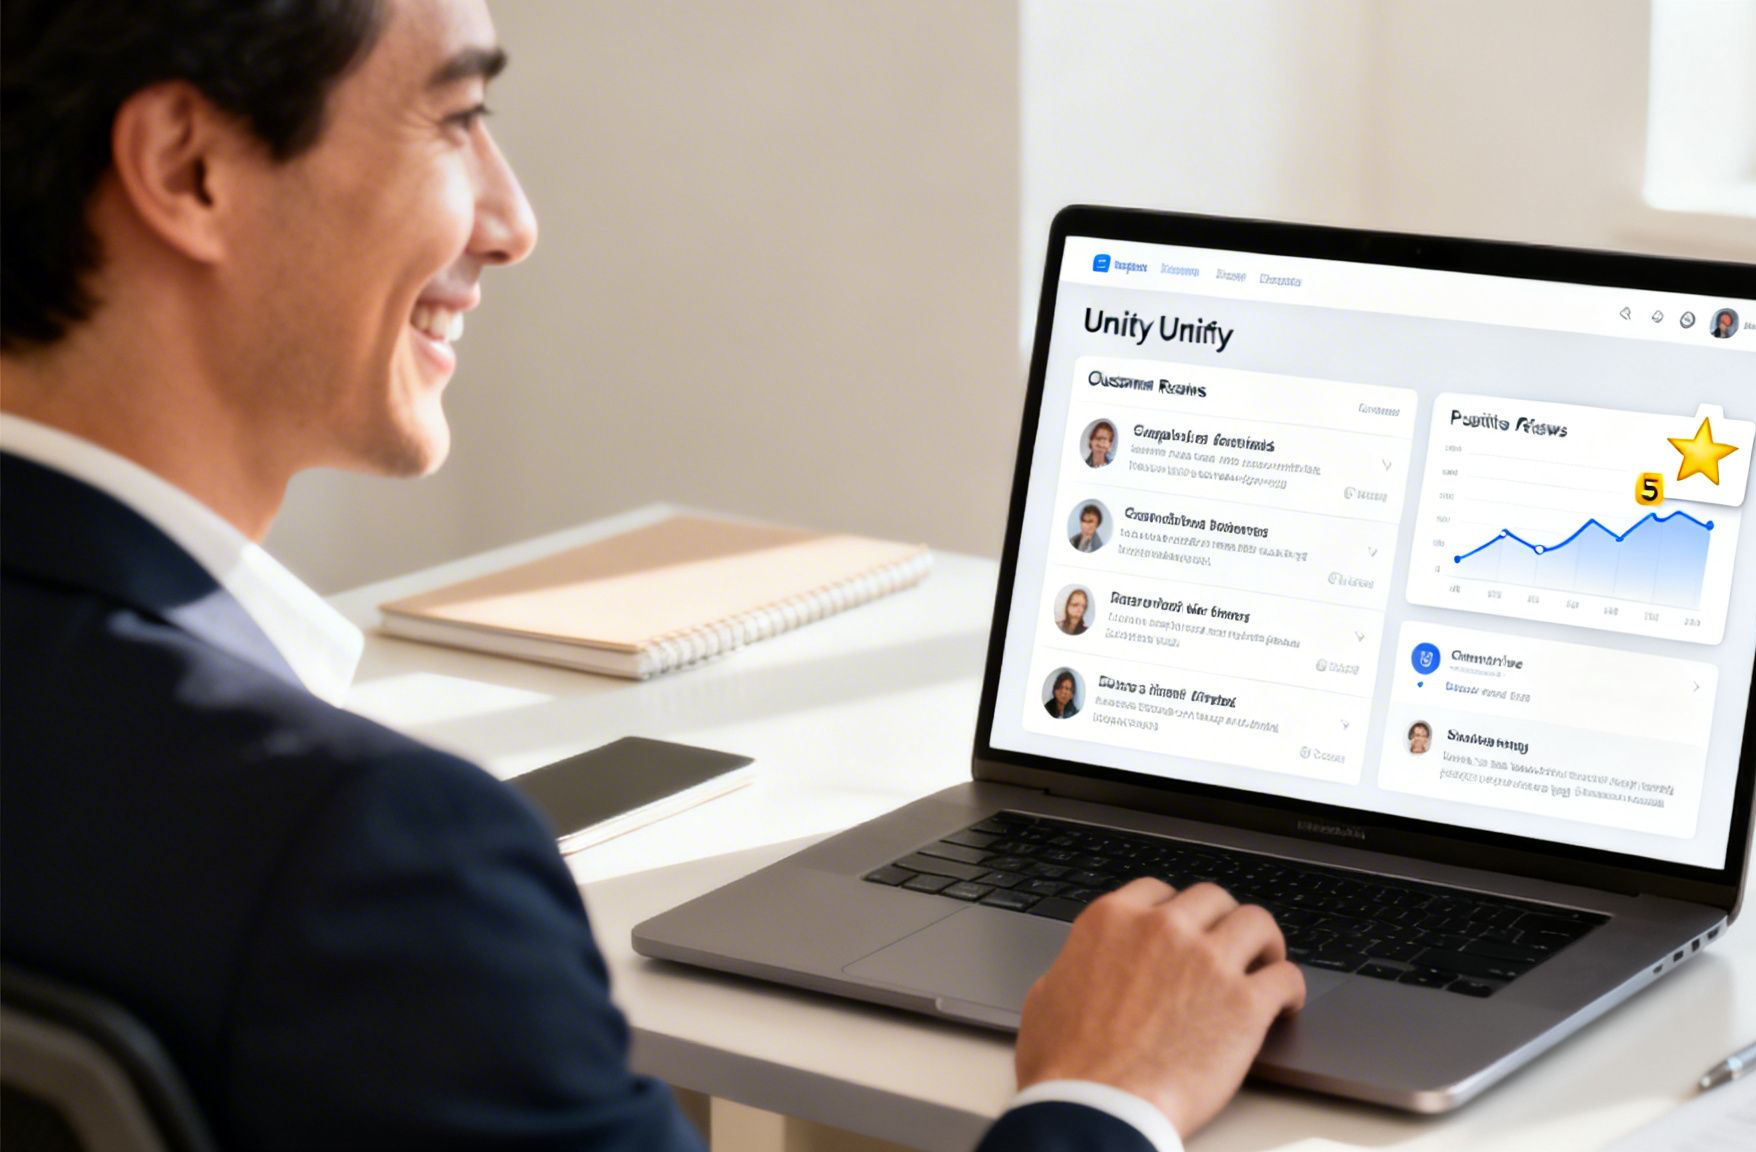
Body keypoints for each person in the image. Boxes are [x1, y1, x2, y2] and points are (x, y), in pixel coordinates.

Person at [0, 2, 1303, 1150]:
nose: (513, 224)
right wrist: (1106, 1099)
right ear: (189, 168)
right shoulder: (374, 861)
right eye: (455, 120)